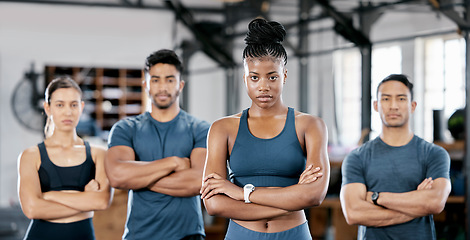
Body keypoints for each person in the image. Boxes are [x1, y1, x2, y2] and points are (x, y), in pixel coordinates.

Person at [200, 18, 330, 240]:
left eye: (272, 77)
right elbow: (214, 204)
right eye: (254, 77)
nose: (263, 86)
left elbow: (315, 195)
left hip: (294, 234)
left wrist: (242, 193)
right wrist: (293, 201)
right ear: (245, 78)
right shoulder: (222, 129)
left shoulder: (310, 125)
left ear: (284, 76)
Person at [105, 49, 210, 240]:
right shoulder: (126, 128)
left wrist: (139, 179)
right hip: (140, 236)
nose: (163, 87)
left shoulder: (200, 129)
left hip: (188, 235)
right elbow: (117, 176)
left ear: (181, 84)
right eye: (156, 80)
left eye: (170, 80)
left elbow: (199, 181)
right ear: (146, 84)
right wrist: (173, 163)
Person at [340, 74, 451, 240]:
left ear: (412, 105)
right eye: (385, 99)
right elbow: (354, 213)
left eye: (401, 99)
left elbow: (435, 203)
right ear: (376, 105)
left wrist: (376, 197)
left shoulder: (434, 154)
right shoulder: (356, 158)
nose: (393, 106)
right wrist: (417, 203)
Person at [17, 76, 112, 240]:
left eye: (73, 105)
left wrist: (49, 196)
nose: (68, 112)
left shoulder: (99, 154)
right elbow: (32, 209)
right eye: (60, 105)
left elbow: (102, 202)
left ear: (81, 107)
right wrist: (85, 203)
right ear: (48, 108)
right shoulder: (31, 156)